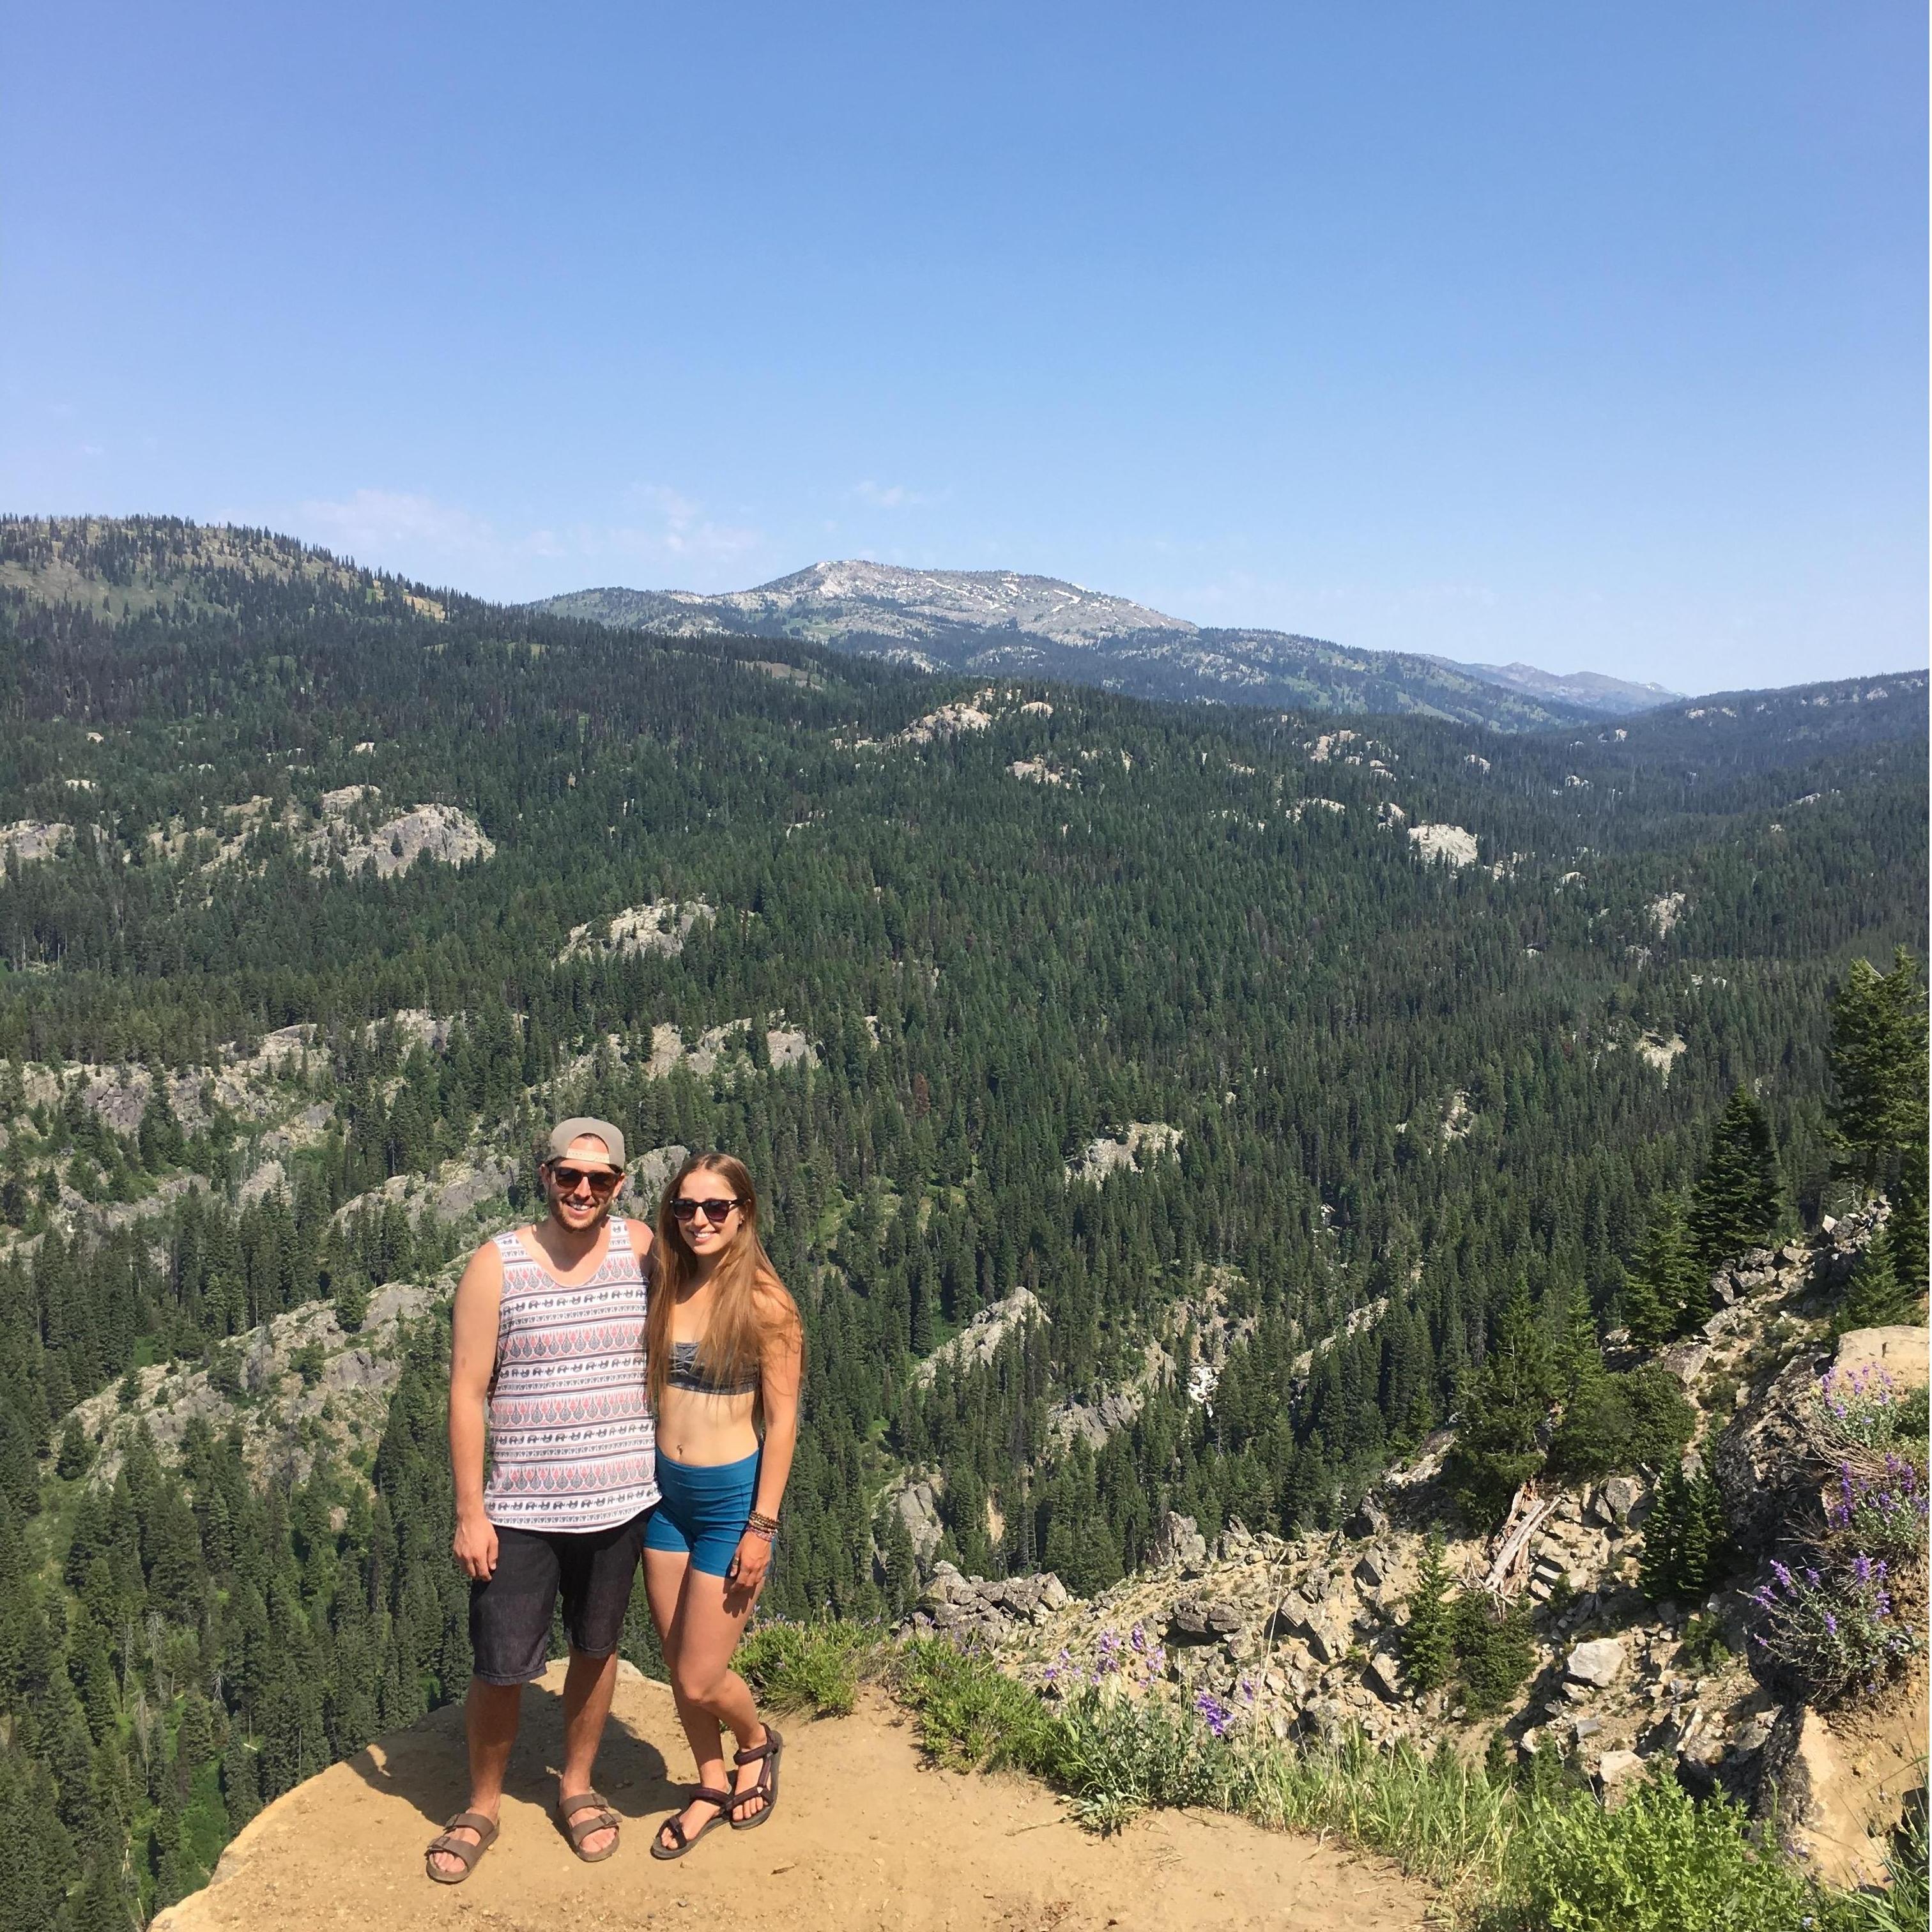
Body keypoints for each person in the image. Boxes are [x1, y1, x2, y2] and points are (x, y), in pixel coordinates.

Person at [425, 1118, 657, 1884]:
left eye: (600, 1180)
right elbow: (467, 1391)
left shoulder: (645, 1249)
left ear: (620, 1185)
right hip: (520, 1509)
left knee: (596, 1649)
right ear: (546, 1176)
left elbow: (716, 1291)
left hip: (622, 1502)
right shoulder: (496, 1265)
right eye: (569, 1176)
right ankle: (483, 1803)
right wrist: (470, 1509)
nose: (583, 1191)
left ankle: (577, 1785)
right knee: (500, 1664)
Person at [643, 1153, 804, 1859]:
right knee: (678, 1657)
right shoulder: (669, 1280)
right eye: (686, 1208)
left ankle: (756, 1742)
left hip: (728, 1504)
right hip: (663, 1499)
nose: (700, 1221)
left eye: (716, 1208)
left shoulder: (768, 1304)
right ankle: (710, 1783)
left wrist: (761, 1527)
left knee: (702, 1674)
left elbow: (785, 1421)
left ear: (744, 1212)